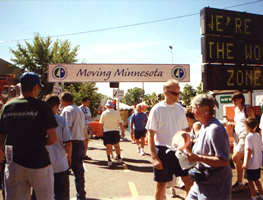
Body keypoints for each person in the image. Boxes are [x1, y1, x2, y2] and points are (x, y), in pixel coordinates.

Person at [0, 72, 58, 200]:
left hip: (14, 163)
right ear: (35, 87)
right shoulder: (43, 107)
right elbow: (53, 138)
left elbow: (1, 137)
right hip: (39, 163)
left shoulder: (7, 107)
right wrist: (39, 142)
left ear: (21, 87)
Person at [146, 79, 192, 200]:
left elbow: (184, 132)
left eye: (179, 93)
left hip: (179, 150)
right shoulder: (157, 109)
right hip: (162, 151)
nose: (178, 96)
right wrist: (154, 158)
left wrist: (189, 151)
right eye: (175, 93)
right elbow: (150, 135)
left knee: (189, 182)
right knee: (161, 186)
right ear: (166, 92)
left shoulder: (180, 109)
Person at [186, 94, 232, 200]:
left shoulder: (215, 129)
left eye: (194, 108)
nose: (192, 111)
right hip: (201, 182)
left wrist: (197, 157)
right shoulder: (203, 126)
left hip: (215, 187)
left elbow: (223, 161)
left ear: (206, 109)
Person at [45, 94, 72, 200]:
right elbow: (68, 143)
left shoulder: (37, 119)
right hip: (60, 164)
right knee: (62, 195)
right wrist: (69, 159)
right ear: (57, 105)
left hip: (42, 165)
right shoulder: (61, 120)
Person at [60, 92, 86, 200]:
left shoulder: (67, 110)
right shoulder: (79, 110)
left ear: (63, 100)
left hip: (71, 144)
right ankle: (81, 195)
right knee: (79, 171)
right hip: (80, 142)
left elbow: (65, 128)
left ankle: (64, 196)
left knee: (64, 171)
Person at [230, 91, 255, 192]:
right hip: (237, 137)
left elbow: (253, 122)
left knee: (235, 157)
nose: (234, 102)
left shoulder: (247, 109)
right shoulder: (236, 110)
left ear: (241, 99)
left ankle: (246, 181)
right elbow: (237, 123)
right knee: (238, 160)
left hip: (244, 137)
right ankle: (240, 182)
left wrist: (250, 136)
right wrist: (228, 122)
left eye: (235, 100)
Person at [99, 99, 125, 168]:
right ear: (113, 106)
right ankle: (119, 158)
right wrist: (122, 131)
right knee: (117, 145)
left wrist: (100, 132)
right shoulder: (116, 113)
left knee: (108, 147)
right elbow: (120, 123)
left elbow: (101, 124)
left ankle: (109, 160)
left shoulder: (104, 113)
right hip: (115, 131)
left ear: (107, 106)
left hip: (107, 132)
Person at [242, 117, 263, 200]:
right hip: (257, 163)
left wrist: (245, 163)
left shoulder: (248, 137)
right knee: (257, 180)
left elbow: (248, 151)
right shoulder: (258, 135)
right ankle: (261, 194)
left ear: (247, 127)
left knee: (250, 181)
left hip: (251, 164)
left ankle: (254, 196)